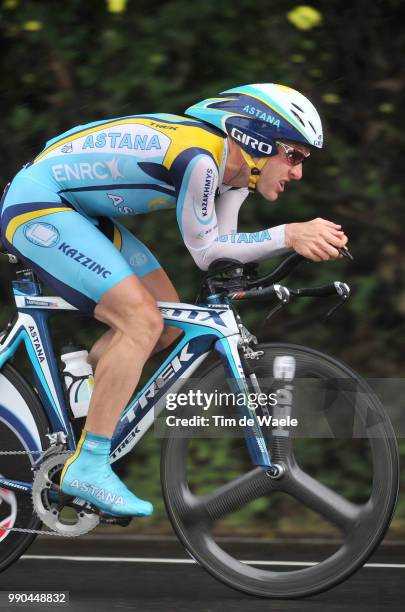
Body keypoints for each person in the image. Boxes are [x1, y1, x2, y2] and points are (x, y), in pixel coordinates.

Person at [0, 83, 348, 517]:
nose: (297, 172)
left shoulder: (235, 177)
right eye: (293, 156)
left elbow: (220, 254)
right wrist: (288, 235)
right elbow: (205, 250)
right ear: (256, 139)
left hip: (79, 211)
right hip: (39, 204)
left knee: (166, 326)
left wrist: (284, 249)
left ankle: (81, 379)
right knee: (141, 321)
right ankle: (88, 466)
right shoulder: (199, 161)